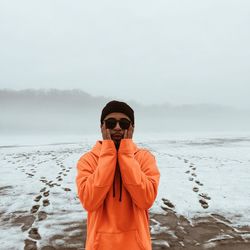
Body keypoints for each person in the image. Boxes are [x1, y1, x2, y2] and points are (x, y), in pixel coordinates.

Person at [76, 100, 160, 250]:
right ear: (102, 127)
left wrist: (126, 154)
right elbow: (89, 201)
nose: (117, 128)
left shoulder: (144, 158)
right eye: (110, 123)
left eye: (124, 123)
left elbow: (145, 200)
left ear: (132, 127)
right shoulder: (88, 160)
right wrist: (108, 154)